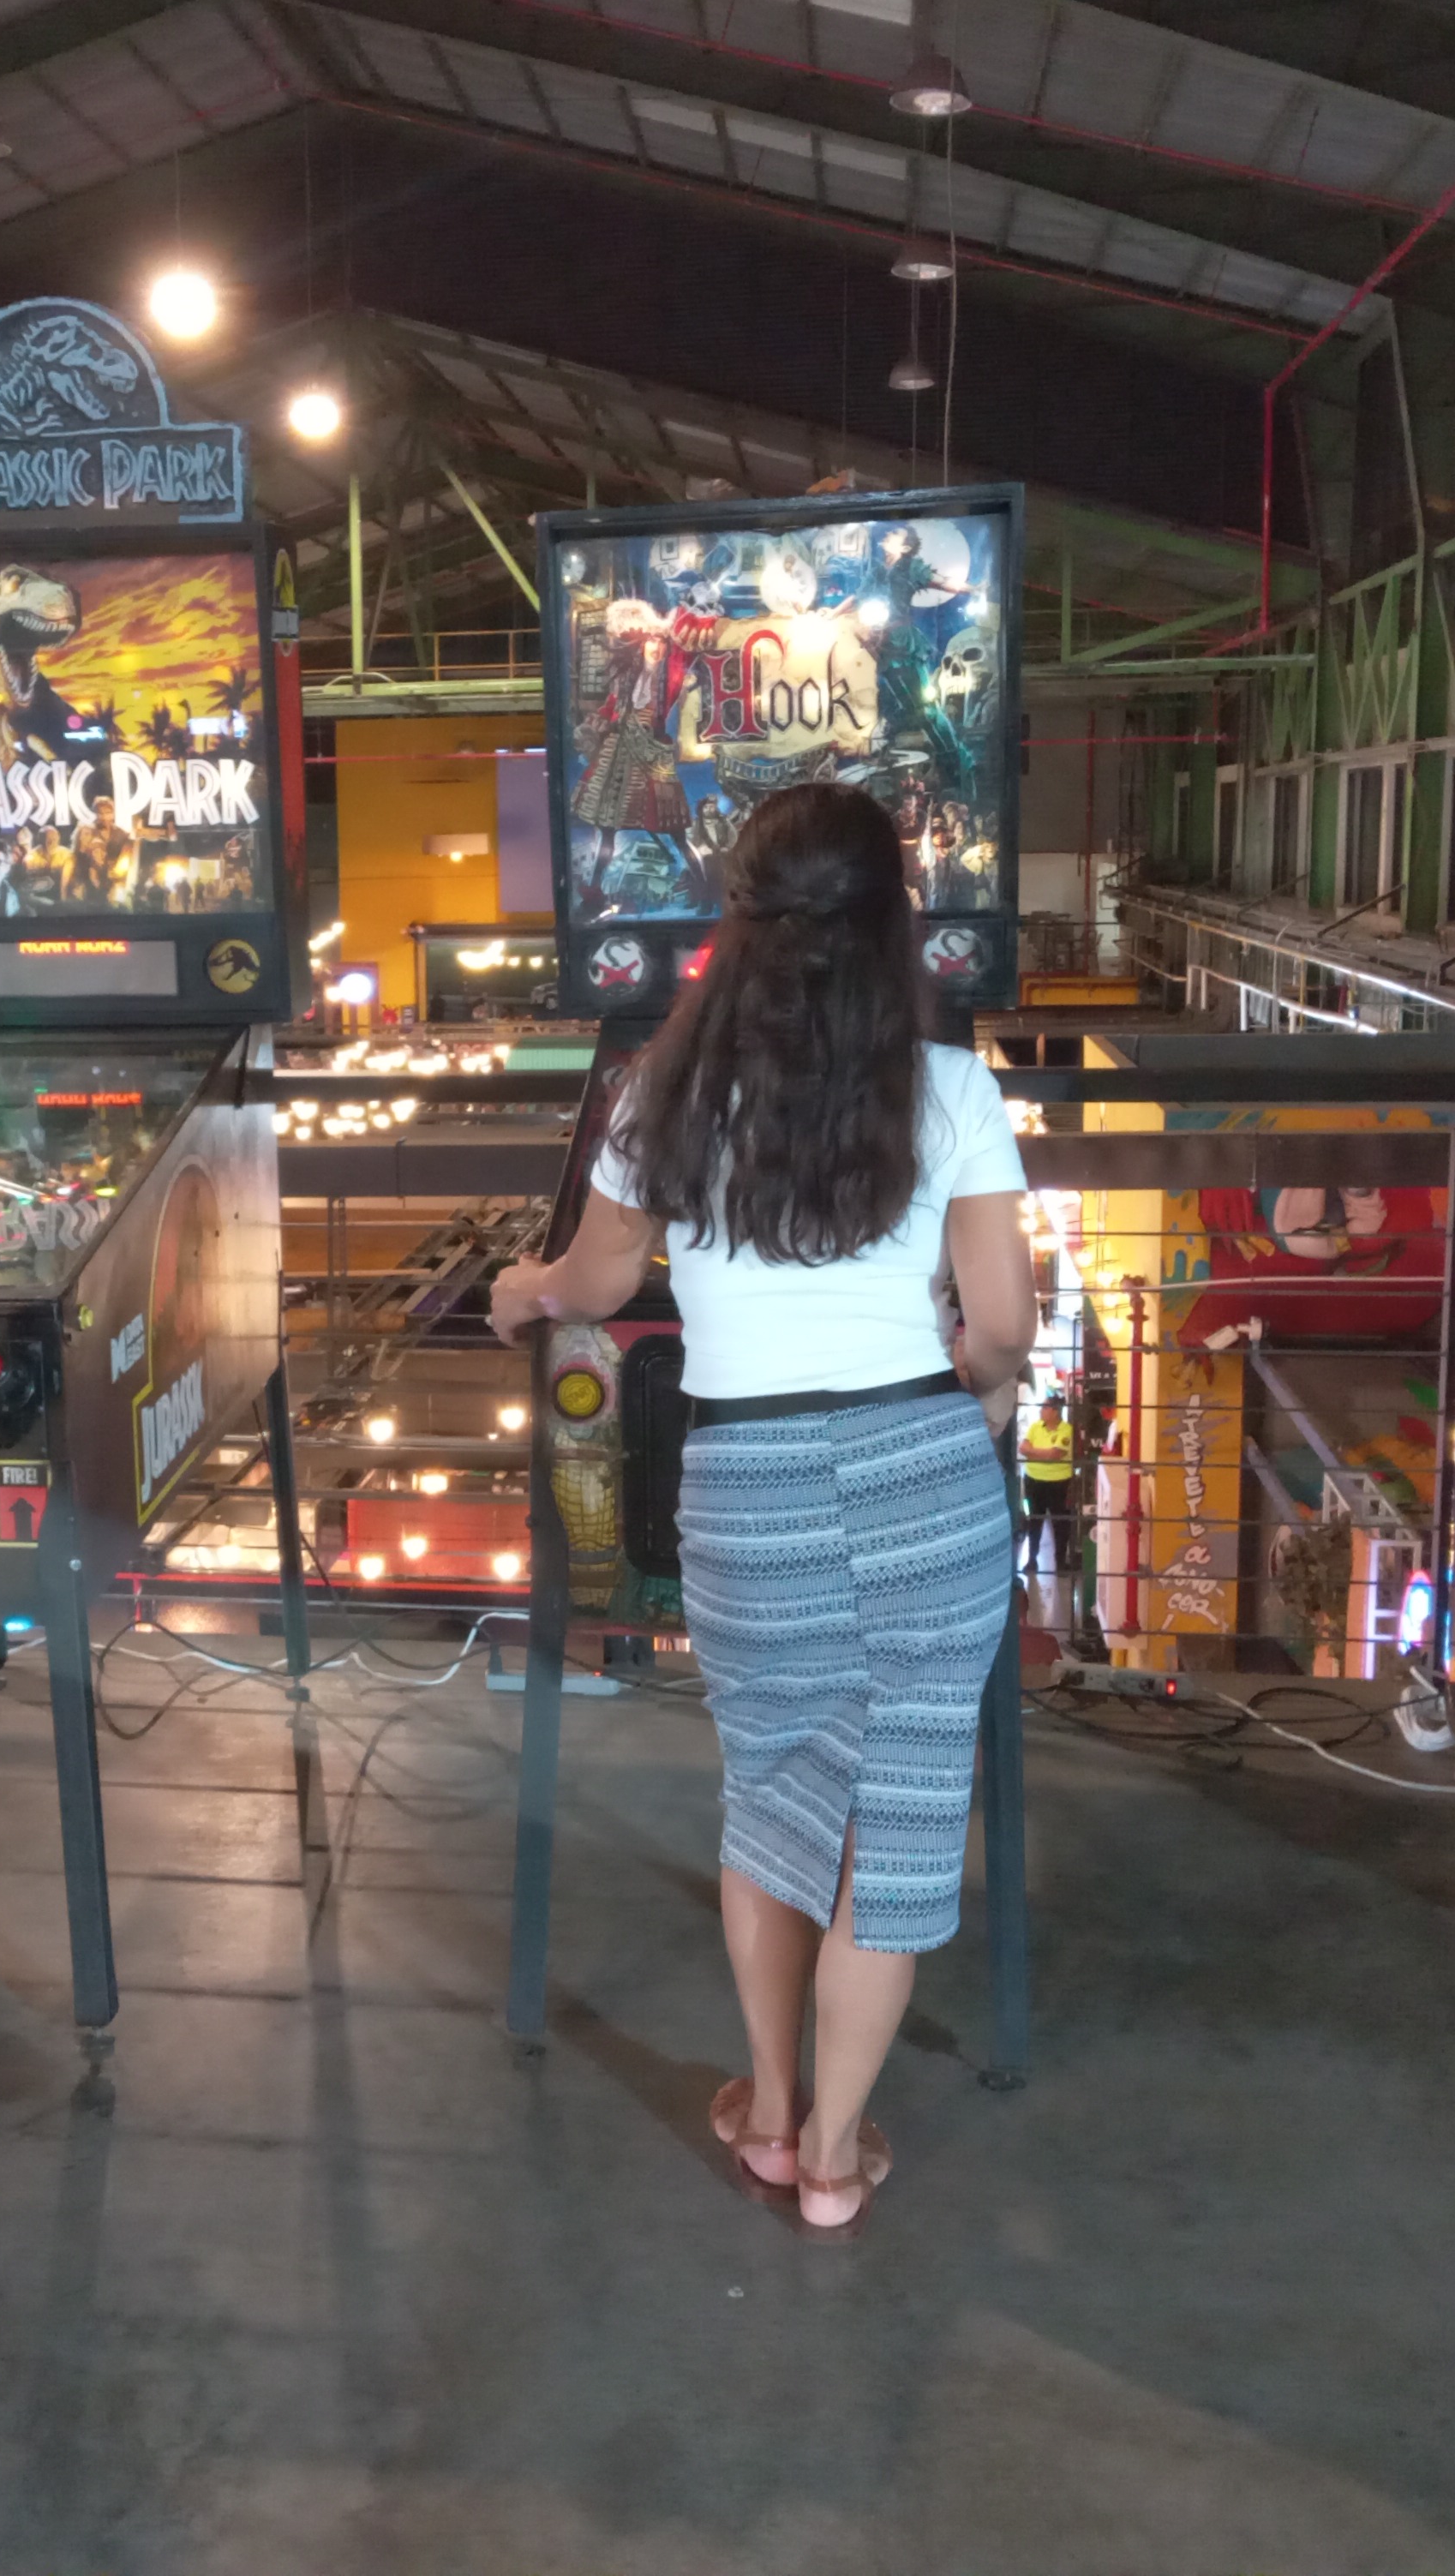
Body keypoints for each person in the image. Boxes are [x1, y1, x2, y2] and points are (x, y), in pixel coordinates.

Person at [491, 781, 1033, 2232]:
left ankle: (775, 2118)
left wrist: (521, 1290)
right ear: (893, 921)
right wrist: (970, 1401)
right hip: (923, 1482)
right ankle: (840, 2163)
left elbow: (596, 1282)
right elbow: (1003, 1328)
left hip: (750, 1487)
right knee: (897, 1828)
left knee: (773, 1792)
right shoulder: (952, 1091)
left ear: (735, 920)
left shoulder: (661, 1091)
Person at [1019, 1389, 1080, 1576]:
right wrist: (1043, 1453)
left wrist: (1033, 1452)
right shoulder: (1036, 1427)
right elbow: (1023, 1448)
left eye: (1044, 1407)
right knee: (1034, 1521)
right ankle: (1032, 1561)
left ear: (1055, 1411)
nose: (1040, 1410)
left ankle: (1060, 1563)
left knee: (1060, 1524)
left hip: (1059, 1484)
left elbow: (1055, 1454)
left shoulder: (1067, 1430)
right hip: (1034, 1481)